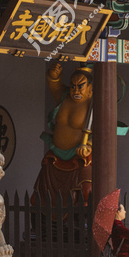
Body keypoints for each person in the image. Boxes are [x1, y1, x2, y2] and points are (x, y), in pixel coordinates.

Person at [32, 63, 94, 203]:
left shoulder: (94, 104)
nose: (76, 91)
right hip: (55, 155)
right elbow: (55, 86)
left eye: (80, 86)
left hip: (79, 156)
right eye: (73, 86)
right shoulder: (64, 97)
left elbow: (102, 132)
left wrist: (89, 144)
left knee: (84, 193)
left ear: (90, 88)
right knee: (41, 194)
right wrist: (54, 76)